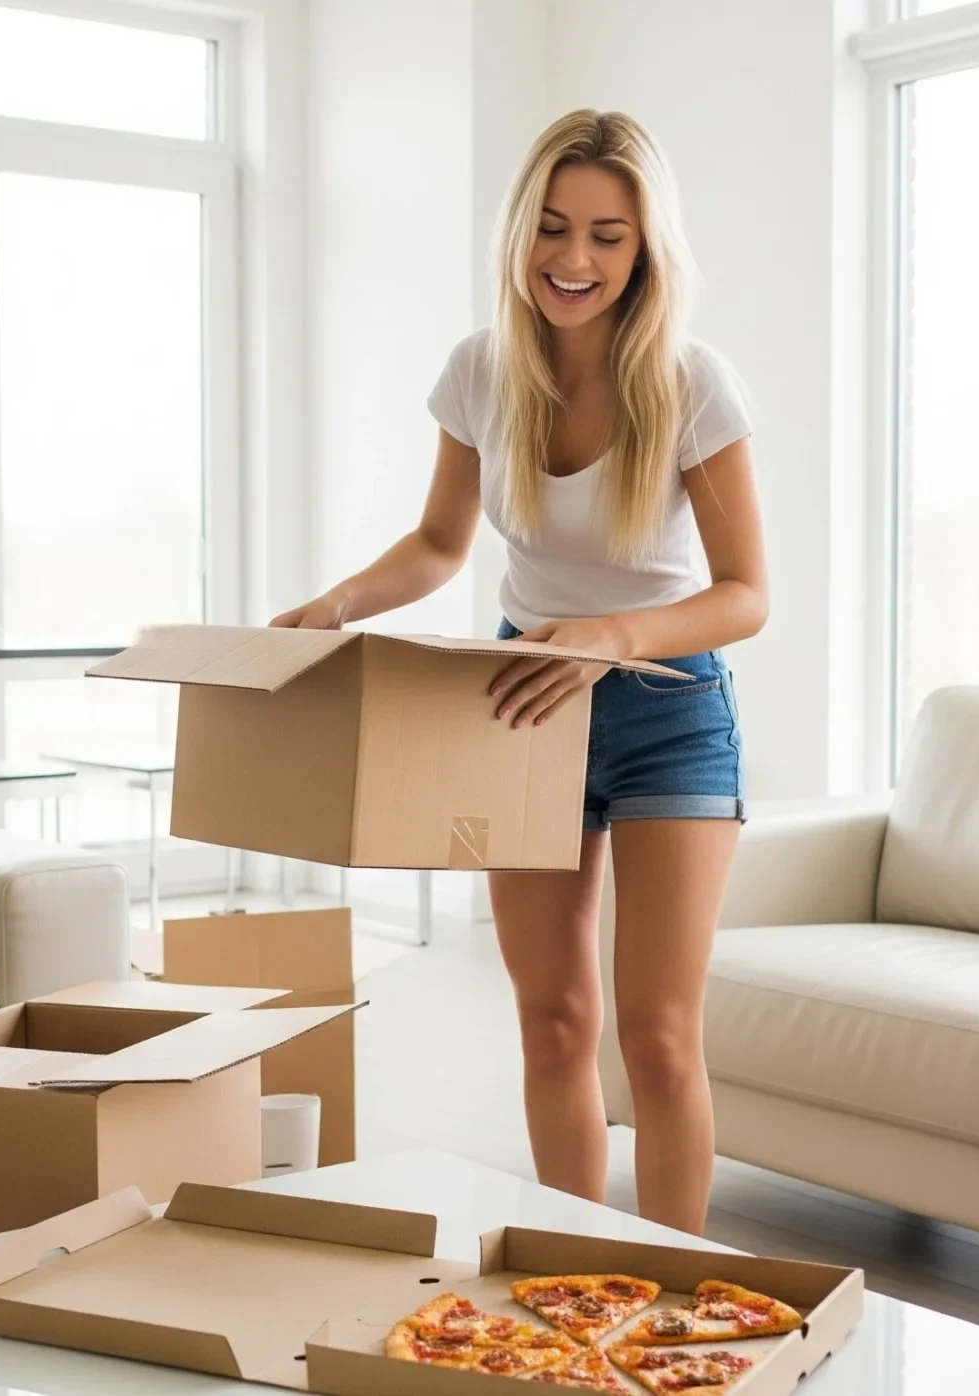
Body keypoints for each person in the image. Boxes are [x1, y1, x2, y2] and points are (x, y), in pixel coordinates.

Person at [271, 109, 767, 1233]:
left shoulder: (694, 384)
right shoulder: (479, 373)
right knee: (551, 1020)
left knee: (657, 1033)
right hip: (519, 710)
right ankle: (574, 1277)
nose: (573, 260)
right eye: (550, 228)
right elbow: (443, 543)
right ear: (519, 233)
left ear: (645, 249)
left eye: (606, 234)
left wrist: (610, 638)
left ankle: (669, 1289)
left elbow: (745, 593)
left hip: (668, 710)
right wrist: (333, 610)